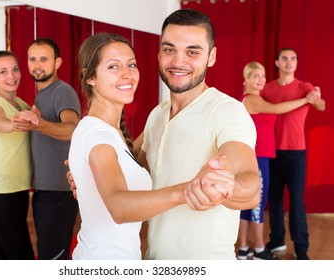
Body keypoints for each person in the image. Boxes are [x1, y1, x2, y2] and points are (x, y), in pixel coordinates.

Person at [68, 9, 261, 260]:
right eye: (170, 50)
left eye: (192, 52)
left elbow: (250, 187)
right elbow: (125, 166)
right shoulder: (157, 115)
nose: (178, 61)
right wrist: (85, 174)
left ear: (211, 57)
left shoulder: (227, 111)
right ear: (159, 54)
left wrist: (220, 186)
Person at [11, 38, 81, 260]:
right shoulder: (41, 94)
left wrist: (38, 124)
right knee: (47, 255)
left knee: (53, 259)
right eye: (32, 59)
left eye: (44, 59)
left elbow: (72, 129)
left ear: (57, 63)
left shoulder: (63, 91)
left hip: (59, 191)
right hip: (45, 189)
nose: (37, 64)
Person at [237, 61, 310, 260]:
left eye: (262, 76)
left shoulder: (255, 98)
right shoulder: (252, 99)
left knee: (248, 204)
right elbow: (277, 109)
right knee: (257, 203)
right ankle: (260, 250)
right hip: (258, 157)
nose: (260, 79)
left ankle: (243, 248)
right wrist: (305, 100)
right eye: (255, 76)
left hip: (259, 155)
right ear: (246, 79)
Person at [263, 48, 326, 260]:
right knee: (275, 200)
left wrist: (315, 98)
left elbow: (321, 106)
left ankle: (301, 249)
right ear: (277, 62)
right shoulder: (268, 88)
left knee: (297, 201)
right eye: (285, 59)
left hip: (296, 153)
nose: (289, 62)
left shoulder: (304, 87)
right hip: (272, 152)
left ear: (296, 63)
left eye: (293, 59)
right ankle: (277, 241)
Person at [0, 51, 34, 260]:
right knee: (22, 258)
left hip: (19, 190)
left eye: (15, 69)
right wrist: (13, 124)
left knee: (2, 256)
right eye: (3, 72)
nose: (11, 76)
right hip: (0, 192)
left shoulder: (21, 104)